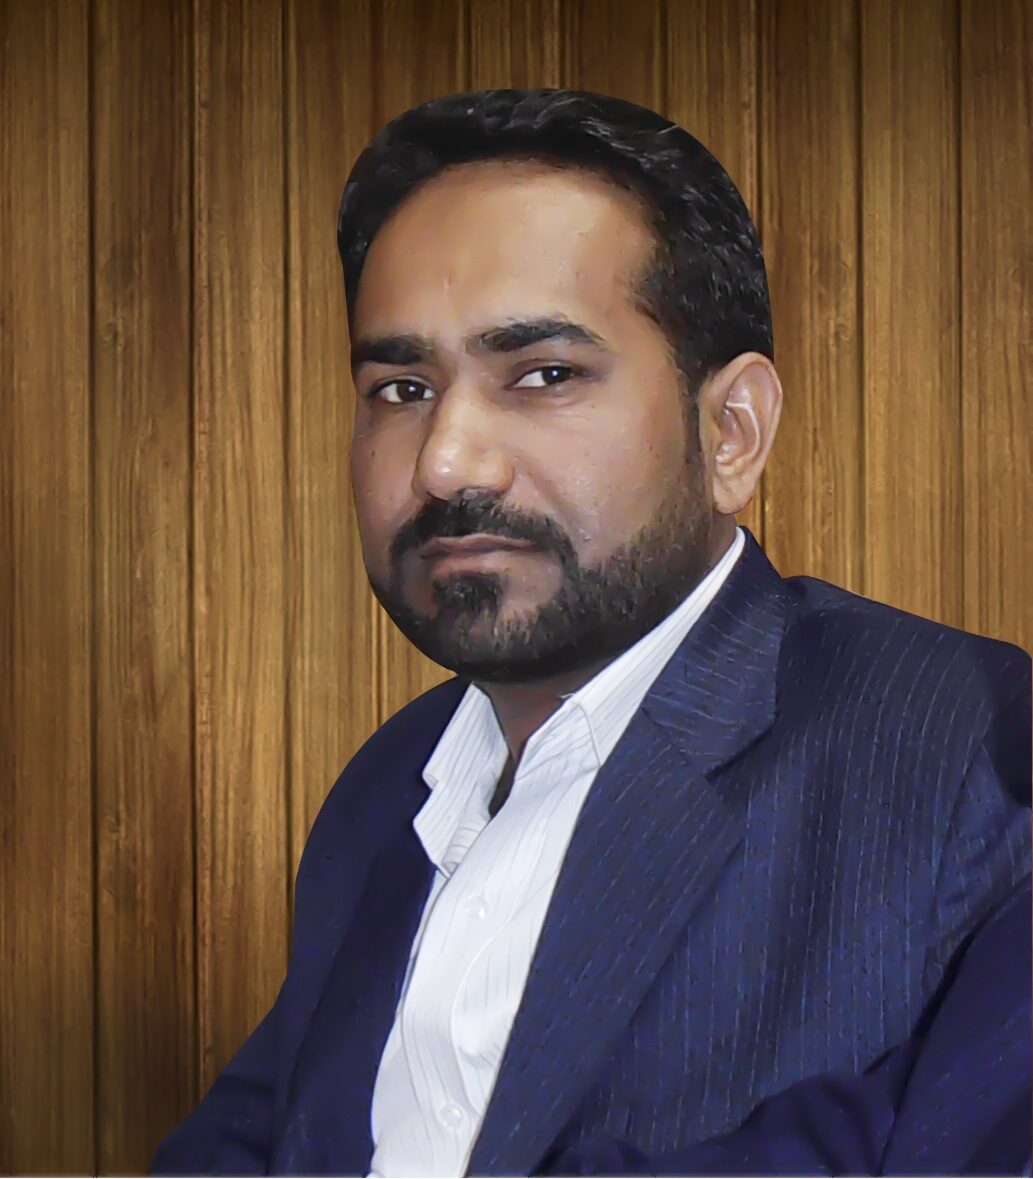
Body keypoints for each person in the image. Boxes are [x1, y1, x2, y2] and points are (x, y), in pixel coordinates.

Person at [150, 89, 1031, 1177]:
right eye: (402, 387)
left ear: (731, 431)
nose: (445, 461)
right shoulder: (387, 791)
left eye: (543, 375)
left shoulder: (967, 753)